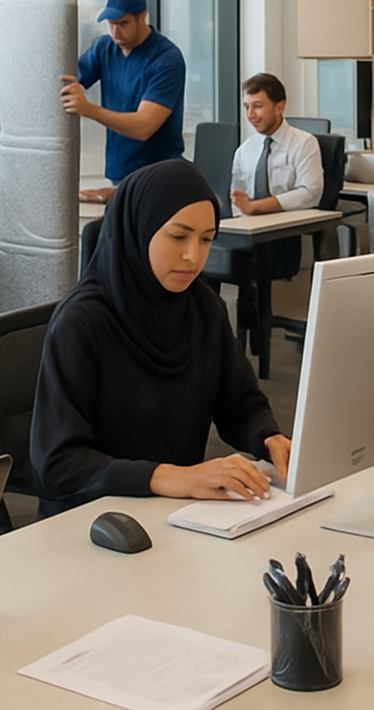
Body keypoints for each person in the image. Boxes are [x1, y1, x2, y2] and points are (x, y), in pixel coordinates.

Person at [29, 160, 292, 517]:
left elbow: (240, 403)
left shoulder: (202, 308)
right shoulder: (81, 323)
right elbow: (58, 464)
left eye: (206, 240)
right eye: (179, 236)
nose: (193, 256)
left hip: (172, 510)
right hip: (92, 519)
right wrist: (171, 478)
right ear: (139, 228)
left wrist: (268, 437)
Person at [61, 0, 186, 202]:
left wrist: (88, 109)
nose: (116, 31)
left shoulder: (167, 59)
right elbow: (66, 82)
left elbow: (144, 126)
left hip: (159, 177)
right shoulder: (104, 49)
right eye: (111, 24)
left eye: (123, 23)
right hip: (119, 172)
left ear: (142, 17)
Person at [229, 72, 323, 218]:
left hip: (288, 224)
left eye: (257, 106)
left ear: (279, 107)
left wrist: (256, 207)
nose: (250, 115)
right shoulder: (244, 150)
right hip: (250, 225)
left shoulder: (304, 143)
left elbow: (310, 193)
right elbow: (237, 200)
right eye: (247, 107)